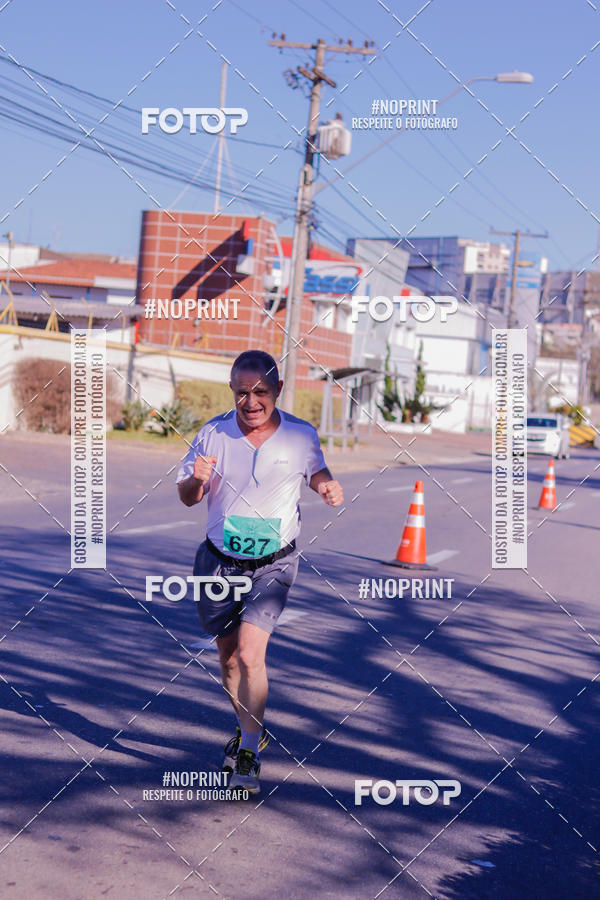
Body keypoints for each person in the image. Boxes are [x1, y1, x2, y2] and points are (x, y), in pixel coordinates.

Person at [176, 350, 343, 793]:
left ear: (278, 390)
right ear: (232, 391)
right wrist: (196, 479)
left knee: (251, 654)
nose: (251, 402)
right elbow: (188, 497)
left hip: (274, 562)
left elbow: (315, 470)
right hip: (219, 562)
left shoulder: (300, 434)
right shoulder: (212, 434)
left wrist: (325, 484)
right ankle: (250, 727)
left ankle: (248, 753)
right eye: (241, 393)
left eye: (261, 392)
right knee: (229, 658)